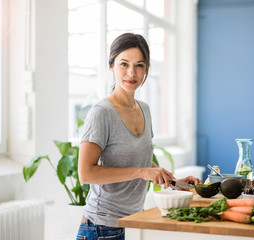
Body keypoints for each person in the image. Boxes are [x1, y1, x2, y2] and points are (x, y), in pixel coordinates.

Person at [76, 33, 202, 240]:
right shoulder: (101, 112)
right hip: (100, 228)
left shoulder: (144, 109)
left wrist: (175, 182)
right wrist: (141, 171)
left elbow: (138, 162)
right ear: (111, 66)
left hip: (132, 223)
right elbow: (86, 173)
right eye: (124, 64)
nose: (131, 73)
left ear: (146, 69)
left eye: (139, 65)